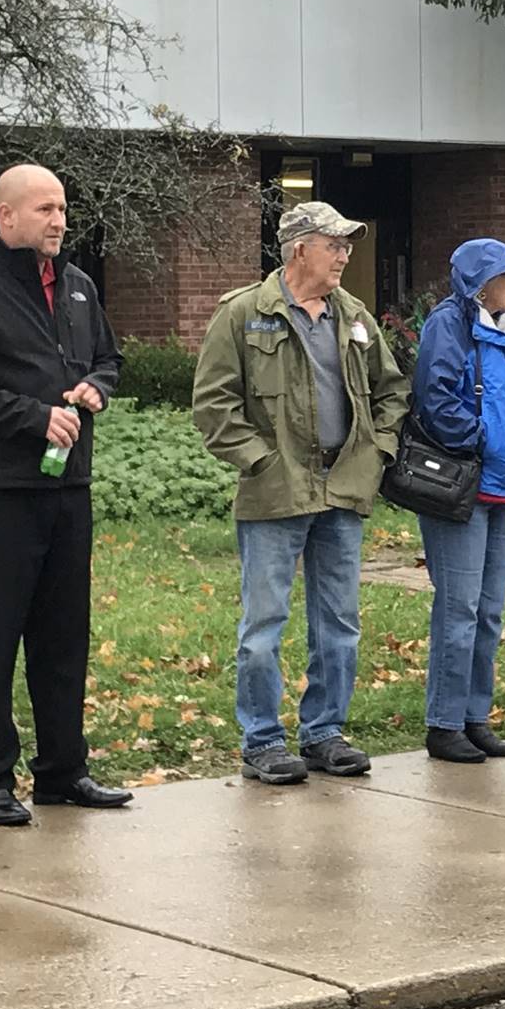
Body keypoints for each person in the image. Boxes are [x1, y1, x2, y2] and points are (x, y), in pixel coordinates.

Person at [0, 164, 130, 826]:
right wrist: (32, 416)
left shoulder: (77, 287)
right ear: (7, 217)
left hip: (68, 487)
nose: (58, 220)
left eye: (63, 208)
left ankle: (63, 771)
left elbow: (108, 358)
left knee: (64, 635)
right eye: (44, 209)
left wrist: (96, 386)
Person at [191, 201, 411, 784]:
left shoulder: (354, 315)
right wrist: (260, 461)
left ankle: (325, 733)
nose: (344, 254)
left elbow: (391, 391)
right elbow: (213, 405)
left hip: (343, 490)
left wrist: (378, 450)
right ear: (298, 249)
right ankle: (262, 740)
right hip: (275, 492)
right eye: (333, 244)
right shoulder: (243, 314)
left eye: (346, 244)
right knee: (263, 625)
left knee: (339, 621)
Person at [413, 239, 505, 763]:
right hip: (465, 486)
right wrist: (482, 439)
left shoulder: (499, 326)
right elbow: (435, 395)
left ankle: (473, 716)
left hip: (501, 486)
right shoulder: (449, 324)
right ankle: (444, 722)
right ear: (481, 280)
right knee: (460, 608)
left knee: (488, 611)